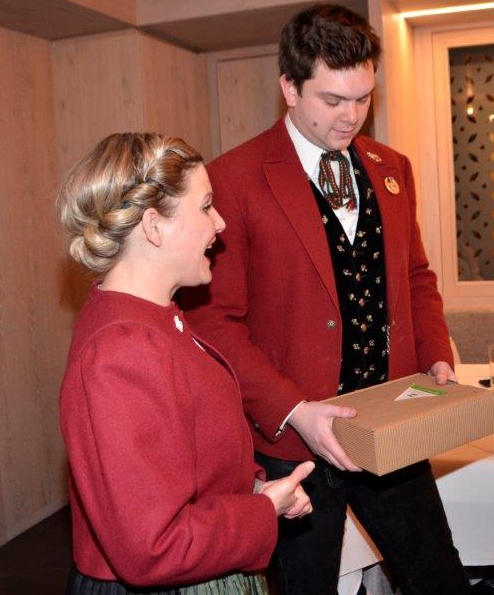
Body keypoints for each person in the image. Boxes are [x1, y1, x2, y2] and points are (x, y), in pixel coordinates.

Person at [183, 5, 470, 593]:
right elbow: (214, 323)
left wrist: (435, 353)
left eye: (363, 98)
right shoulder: (233, 179)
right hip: (294, 444)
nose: (351, 116)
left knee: (438, 578)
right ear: (289, 88)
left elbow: (416, 275)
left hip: (390, 420)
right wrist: (295, 410)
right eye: (333, 100)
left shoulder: (393, 168)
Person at [58, 132, 315, 594]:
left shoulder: (156, 321)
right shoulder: (121, 350)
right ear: (153, 226)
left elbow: (188, 462)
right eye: (206, 207)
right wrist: (261, 511)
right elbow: (152, 547)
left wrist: (256, 491)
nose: (220, 223)